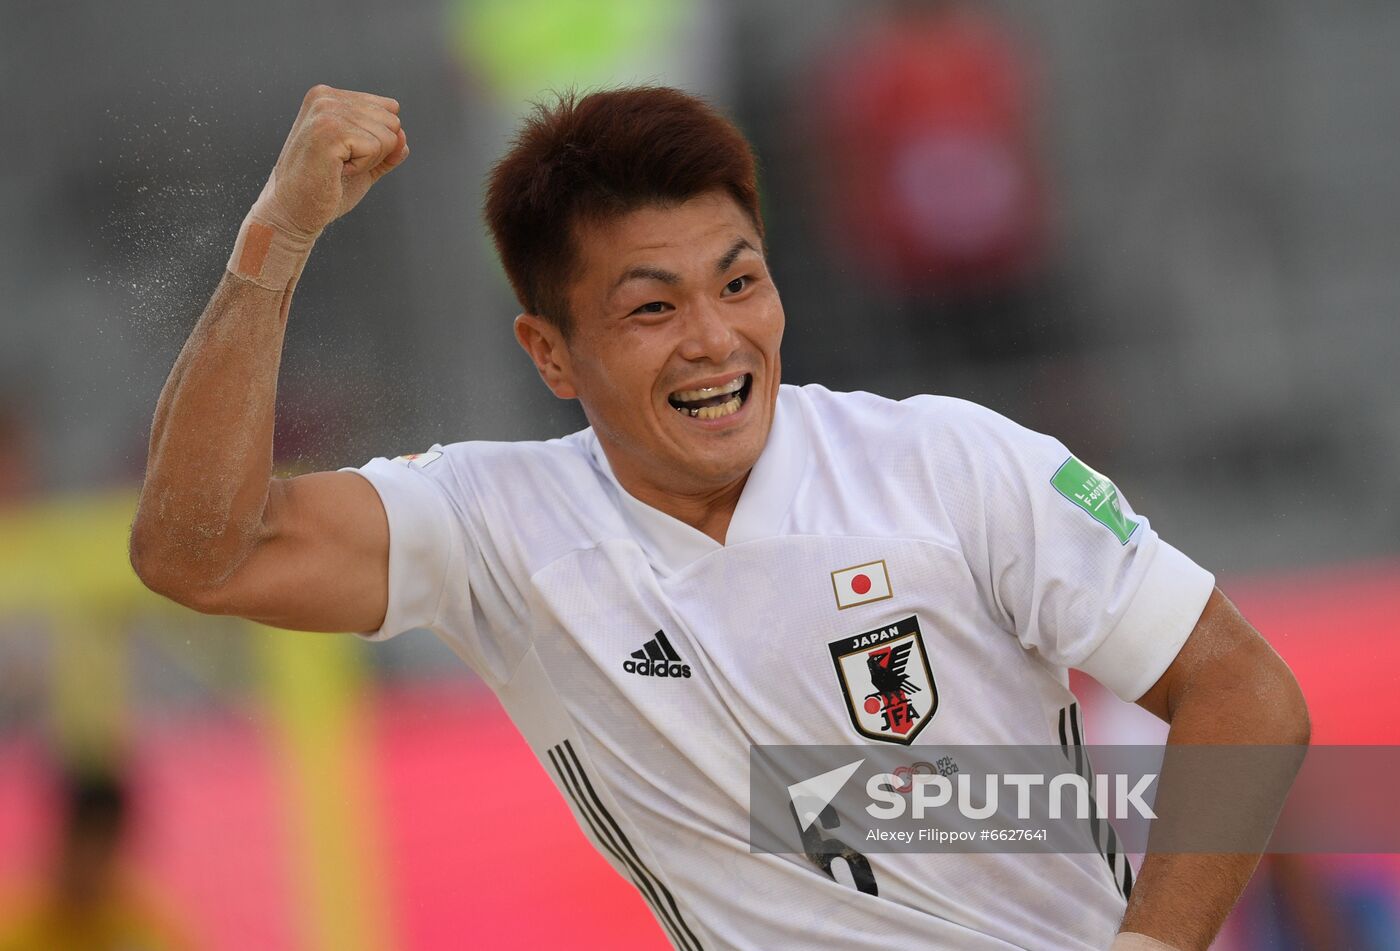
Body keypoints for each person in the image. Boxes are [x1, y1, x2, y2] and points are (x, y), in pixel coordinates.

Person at [128, 84, 1310, 950]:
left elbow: (1243, 692)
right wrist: (272, 248)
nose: (713, 339)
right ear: (549, 354)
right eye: (651, 307)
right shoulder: (494, 524)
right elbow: (196, 553)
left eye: (738, 282)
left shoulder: (948, 462)